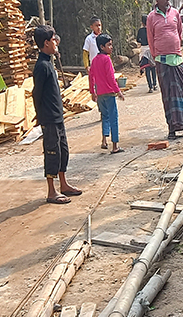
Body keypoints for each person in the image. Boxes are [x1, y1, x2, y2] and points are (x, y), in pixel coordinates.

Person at [32, 25, 82, 204]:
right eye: (53, 40)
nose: (56, 42)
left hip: (57, 116)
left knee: (63, 151)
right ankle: (51, 191)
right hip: (49, 118)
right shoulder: (42, 66)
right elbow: (36, 93)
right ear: (46, 43)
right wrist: (40, 116)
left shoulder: (49, 63)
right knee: (52, 152)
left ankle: (64, 184)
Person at [147, 0, 183, 139]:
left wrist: (176, 48)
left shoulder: (175, 13)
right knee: (168, 94)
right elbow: (150, 38)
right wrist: (156, 54)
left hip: (176, 58)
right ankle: (172, 129)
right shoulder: (151, 17)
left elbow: (179, 32)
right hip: (161, 60)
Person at [89, 34, 126, 154]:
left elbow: (91, 77)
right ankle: (115, 145)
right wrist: (118, 91)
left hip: (100, 94)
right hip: (109, 93)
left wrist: (92, 92)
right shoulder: (107, 60)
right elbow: (111, 77)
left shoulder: (94, 60)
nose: (111, 47)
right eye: (109, 45)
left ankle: (104, 140)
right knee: (113, 118)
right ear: (102, 47)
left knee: (105, 117)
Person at [137, 15, 158, 93]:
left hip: (144, 49)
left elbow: (138, 40)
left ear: (142, 23)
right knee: (153, 67)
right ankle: (155, 84)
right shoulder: (151, 29)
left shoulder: (140, 31)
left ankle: (150, 87)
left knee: (147, 69)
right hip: (151, 48)